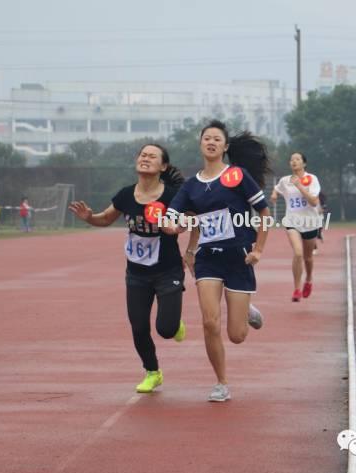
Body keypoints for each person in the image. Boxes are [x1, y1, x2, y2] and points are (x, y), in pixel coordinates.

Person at [164, 119, 270, 402]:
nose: (211, 142)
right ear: (200, 144)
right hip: (208, 259)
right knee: (210, 323)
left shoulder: (236, 176)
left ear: (224, 147)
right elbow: (176, 218)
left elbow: (264, 213)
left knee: (236, 335)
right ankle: (221, 382)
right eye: (206, 138)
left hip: (239, 257)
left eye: (217, 139)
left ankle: (246, 308)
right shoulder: (191, 186)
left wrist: (258, 249)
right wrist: (172, 226)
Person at [69, 144, 187, 394]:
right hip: (137, 273)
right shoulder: (125, 195)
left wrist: (176, 228)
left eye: (152, 156)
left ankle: (175, 323)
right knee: (139, 326)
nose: (145, 159)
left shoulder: (172, 195)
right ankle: (153, 372)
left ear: (163, 166)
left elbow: (186, 219)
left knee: (165, 329)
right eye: (142, 155)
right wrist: (89, 217)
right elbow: (106, 218)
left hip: (167, 270)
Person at [270, 152, 321, 302]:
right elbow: (277, 188)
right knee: (298, 253)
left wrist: (300, 186)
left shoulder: (312, 179)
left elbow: (313, 202)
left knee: (308, 258)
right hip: (292, 221)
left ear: (304, 163)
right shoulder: (285, 180)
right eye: (291, 159)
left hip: (310, 222)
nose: (294, 162)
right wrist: (274, 195)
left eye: (297, 159)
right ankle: (297, 289)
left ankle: (309, 279)